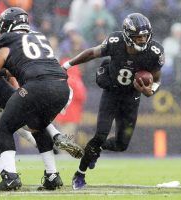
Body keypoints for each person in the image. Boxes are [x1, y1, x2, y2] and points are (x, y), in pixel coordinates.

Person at [0, 7, 78, 191]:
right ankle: (52, 175)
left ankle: (10, 177)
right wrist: (3, 68)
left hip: (37, 87)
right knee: (38, 126)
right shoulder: (39, 37)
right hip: (62, 87)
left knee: (4, 127)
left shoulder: (5, 41)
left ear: (6, 26)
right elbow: (28, 64)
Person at [61, 13, 165, 190]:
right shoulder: (116, 41)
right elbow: (92, 53)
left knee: (121, 145)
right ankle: (80, 174)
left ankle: (98, 150)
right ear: (127, 35)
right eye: (138, 36)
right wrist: (67, 65)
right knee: (100, 135)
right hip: (112, 93)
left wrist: (150, 90)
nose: (142, 40)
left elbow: (156, 79)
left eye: (145, 36)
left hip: (132, 97)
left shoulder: (154, 52)